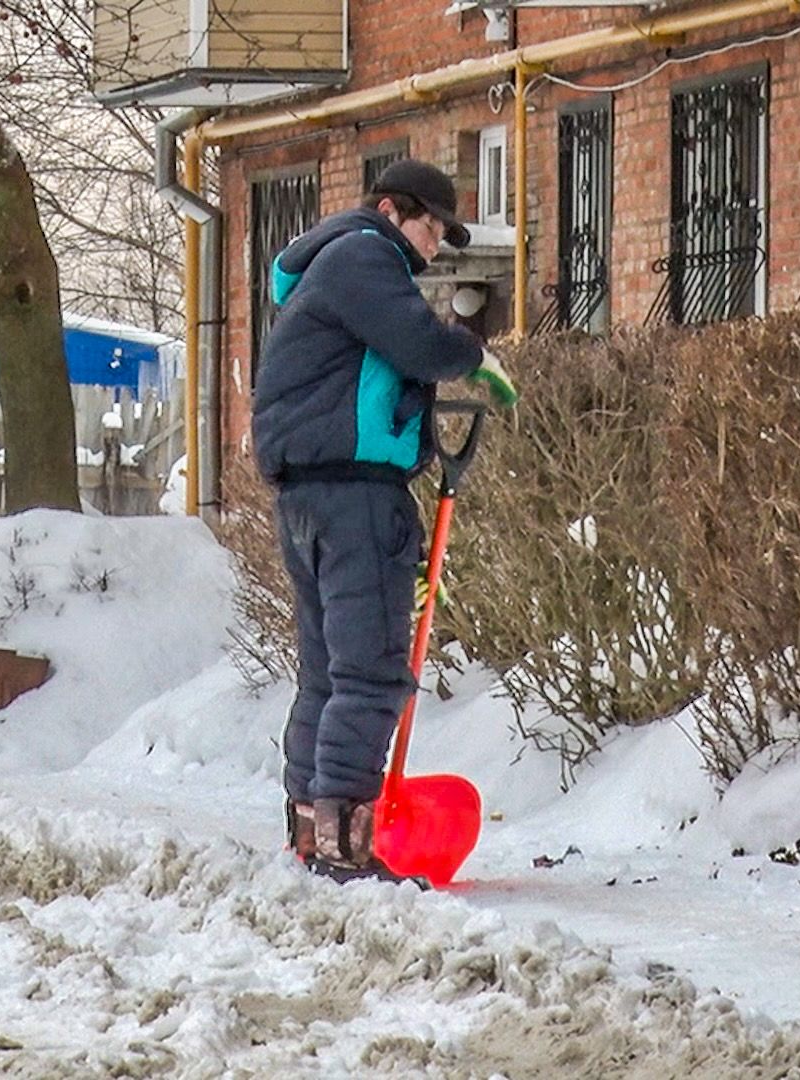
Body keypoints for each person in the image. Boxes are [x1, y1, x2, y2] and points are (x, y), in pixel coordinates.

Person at [252, 158, 517, 883]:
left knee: (328, 677)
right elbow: (419, 344)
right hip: (353, 498)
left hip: (311, 495)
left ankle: (310, 835)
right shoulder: (364, 254)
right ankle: (343, 848)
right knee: (368, 675)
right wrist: (474, 353)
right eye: (434, 227)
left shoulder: (325, 268)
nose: (437, 245)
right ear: (397, 210)